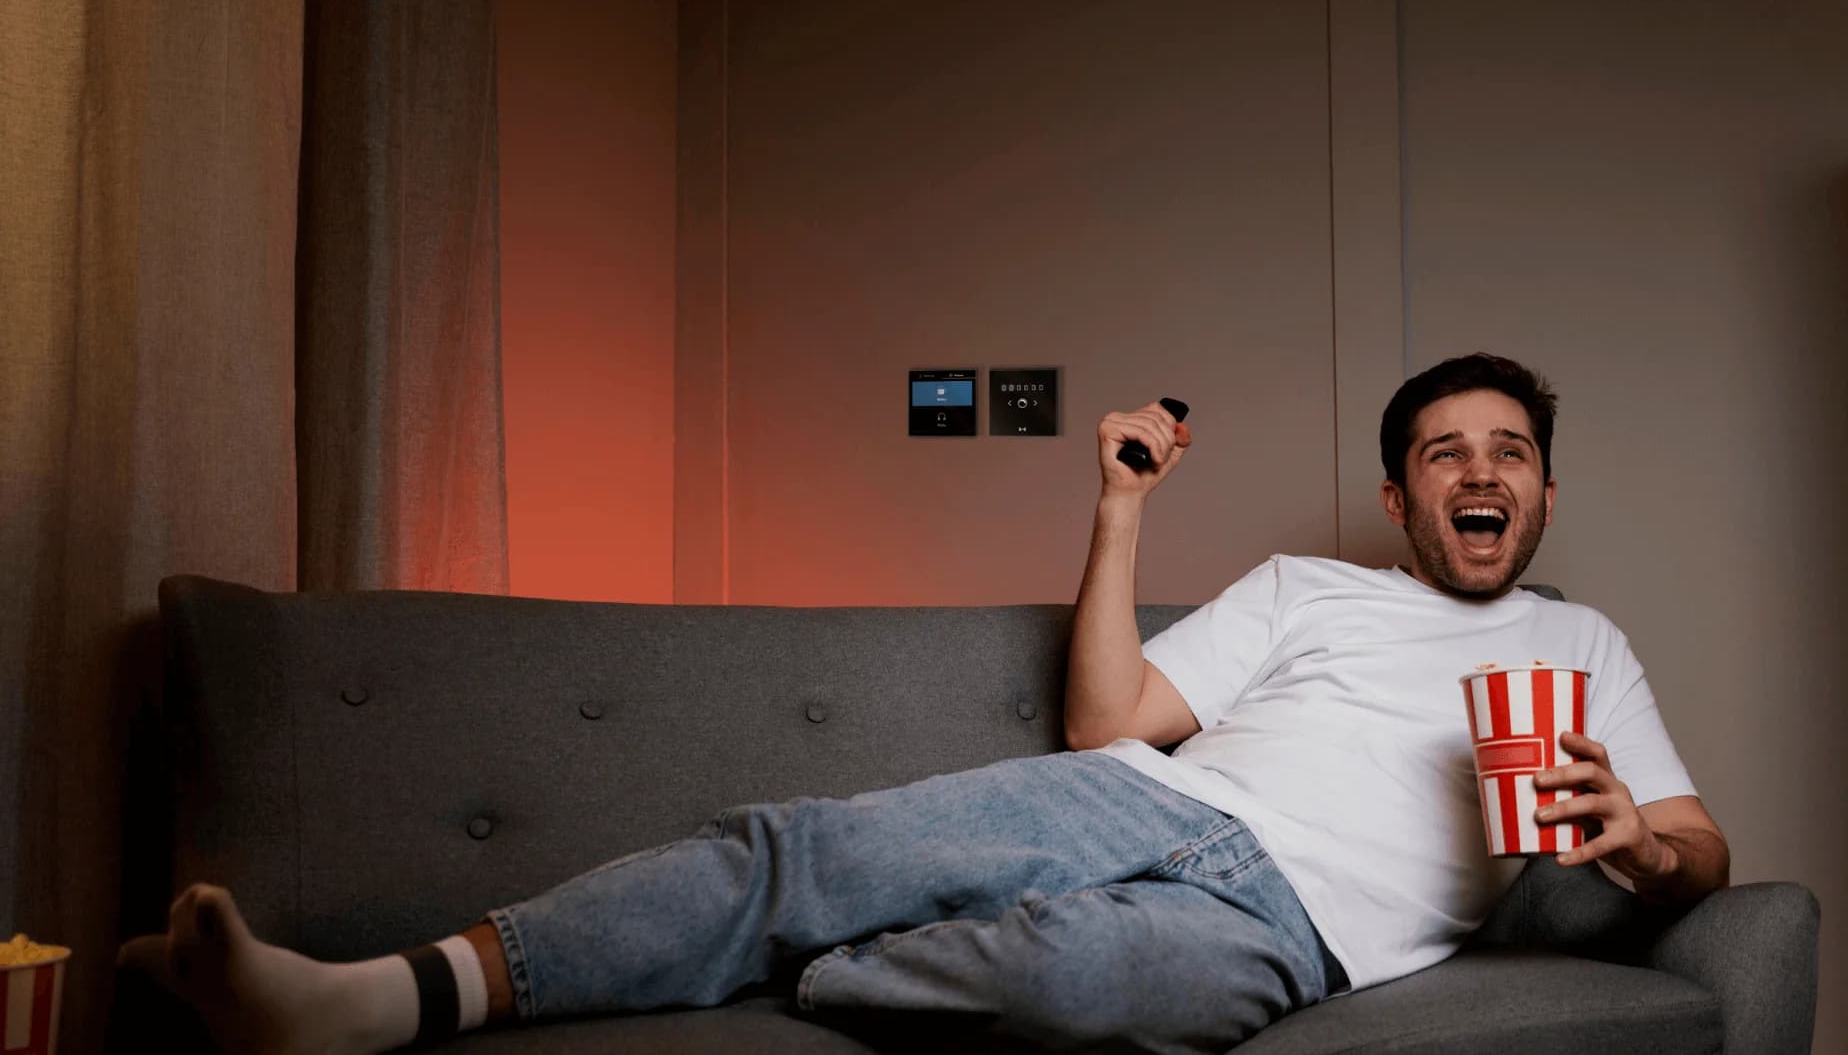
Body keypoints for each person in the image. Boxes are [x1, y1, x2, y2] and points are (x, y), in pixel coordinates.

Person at [120, 353, 1729, 1054]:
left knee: (1088, 991)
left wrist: (1634, 846)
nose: (1478, 472)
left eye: (1507, 452)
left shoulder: (1587, 645)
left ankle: (781, 975)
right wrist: (1119, 513)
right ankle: (372, 1001)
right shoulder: (1313, 592)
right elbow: (1107, 730)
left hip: (1298, 930)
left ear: (1543, 492)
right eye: (1446, 451)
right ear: (1399, 495)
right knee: (797, 845)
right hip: (1156, 802)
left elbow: (1701, 850)